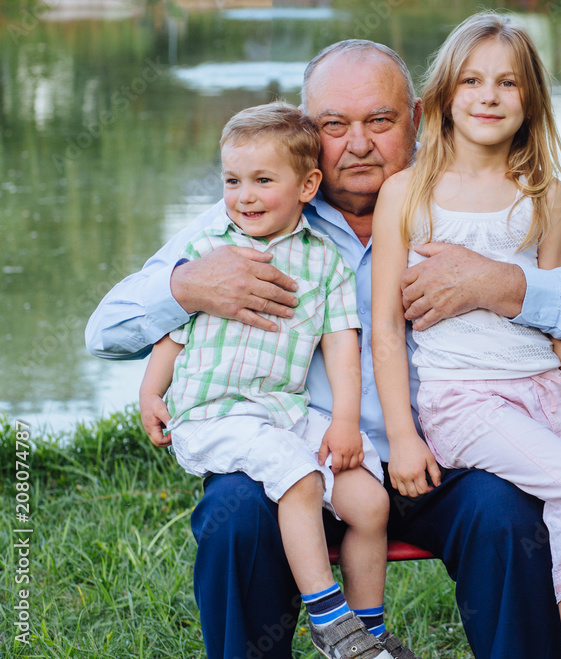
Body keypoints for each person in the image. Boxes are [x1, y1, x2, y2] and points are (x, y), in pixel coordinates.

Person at [86, 38, 561, 659]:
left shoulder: (465, 199)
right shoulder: (257, 213)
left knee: (506, 513)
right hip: (307, 463)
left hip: (441, 456)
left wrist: (502, 283)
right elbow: (105, 331)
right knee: (233, 513)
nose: (359, 143)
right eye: (333, 125)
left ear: (419, 118)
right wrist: (186, 286)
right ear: (306, 134)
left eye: (379, 121)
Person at [371, 13, 561, 659]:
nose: (489, 96)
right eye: (472, 80)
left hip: (543, 392)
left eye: (508, 83)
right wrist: (403, 435)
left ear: (532, 100)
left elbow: (560, 315)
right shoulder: (408, 193)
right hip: (466, 400)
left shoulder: (544, 194)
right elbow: (385, 324)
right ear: (442, 97)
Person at [137, 102, 411, 659]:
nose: (245, 196)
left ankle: (370, 631)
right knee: (300, 476)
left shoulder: (323, 262)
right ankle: (330, 621)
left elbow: (342, 348)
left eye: (263, 181)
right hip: (215, 412)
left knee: (368, 500)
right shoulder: (208, 249)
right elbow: (173, 330)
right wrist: (150, 391)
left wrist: (344, 423)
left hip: (282, 411)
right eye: (233, 181)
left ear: (308, 184)